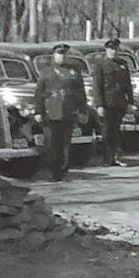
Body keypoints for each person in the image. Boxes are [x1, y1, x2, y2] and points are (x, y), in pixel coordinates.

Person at [32, 44, 88, 181]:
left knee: (65, 143)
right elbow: (39, 93)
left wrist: (83, 110)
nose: (61, 56)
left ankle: (63, 168)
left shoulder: (73, 71)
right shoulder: (47, 72)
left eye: (64, 54)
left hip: (68, 111)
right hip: (51, 110)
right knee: (51, 143)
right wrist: (38, 111)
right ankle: (52, 170)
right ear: (54, 55)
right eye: (59, 54)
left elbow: (80, 92)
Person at [89, 38, 133, 166]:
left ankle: (114, 156)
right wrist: (99, 105)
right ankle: (107, 158)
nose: (113, 52)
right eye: (111, 49)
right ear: (106, 50)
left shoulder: (123, 63)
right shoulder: (100, 65)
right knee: (106, 132)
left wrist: (130, 101)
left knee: (116, 131)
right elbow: (97, 86)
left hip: (119, 103)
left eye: (115, 49)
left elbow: (127, 84)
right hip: (107, 103)